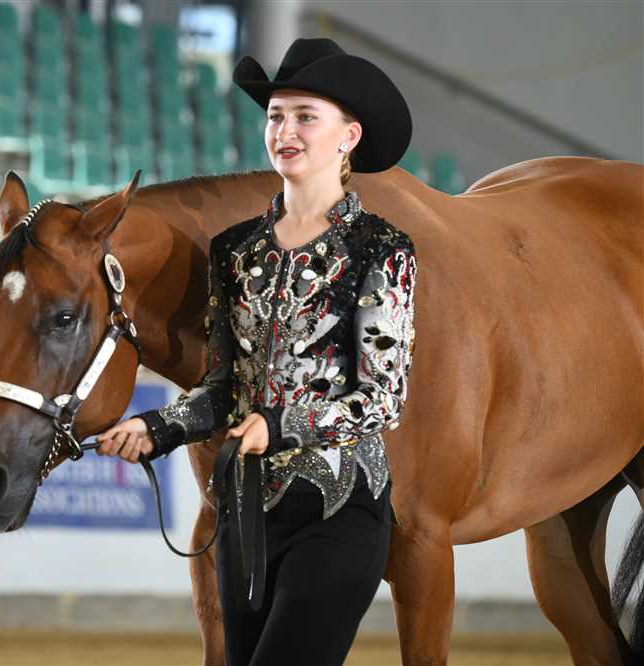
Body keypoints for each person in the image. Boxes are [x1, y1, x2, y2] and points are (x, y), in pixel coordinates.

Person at [96, 37, 418, 665]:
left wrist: (279, 423)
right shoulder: (235, 250)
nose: (284, 131)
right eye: (275, 116)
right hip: (245, 517)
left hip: (340, 509)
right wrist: (156, 427)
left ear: (349, 136)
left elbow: (383, 398)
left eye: (306, 117)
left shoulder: (383, 249)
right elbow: (223, 388)